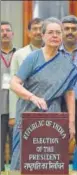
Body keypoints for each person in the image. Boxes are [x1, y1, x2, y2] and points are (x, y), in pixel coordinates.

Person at [10, 17, 77, 170]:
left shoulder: (66, 62)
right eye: (51, 32)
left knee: (49, 161)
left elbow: (69, 93)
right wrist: (32, 97)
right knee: (23, 160)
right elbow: (14, 83)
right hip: (28, 113)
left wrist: (71, 123)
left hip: (52, 116)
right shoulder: (33, 58)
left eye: (58, 32)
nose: (55, 36)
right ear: (43, 36)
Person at [61, 15, 77, 171]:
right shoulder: (53, 52)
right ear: (62, 31)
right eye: (67, 29)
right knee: (56, 146)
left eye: (73, 29)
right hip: (59, 105)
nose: (70, 32)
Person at [9, 18, 43, 126]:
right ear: (28, 33)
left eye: (41, 29)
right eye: (34, 29)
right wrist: (13, 115)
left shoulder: (55, 53)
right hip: (25, 106)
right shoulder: (19, 54)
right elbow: (12, 86)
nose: (38, 32)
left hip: (48, 106)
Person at [0, 21, 16, 171]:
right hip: (0, 109)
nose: (4, 33)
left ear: (13, 34)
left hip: (16, 109)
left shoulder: (20, 54)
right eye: (2, 30)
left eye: (7, 30)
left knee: (16, 148)